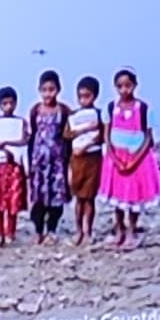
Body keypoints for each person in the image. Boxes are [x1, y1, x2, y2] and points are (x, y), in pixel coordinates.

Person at [99, 70, 160, 243]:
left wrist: (135, 160)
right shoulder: (111, 108)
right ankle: (119, 228)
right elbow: (106, 136)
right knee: (117, 197)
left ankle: (132, 230)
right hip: (116, 157)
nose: (124, 90)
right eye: (120, 86)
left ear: (134, 85)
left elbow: (148, 137)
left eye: (128, 85)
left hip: (137, 157)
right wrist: (114, 158)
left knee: (134, 196)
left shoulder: (143, 109)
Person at [23, 70, 70, 241]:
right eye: (44, 90)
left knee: (56, 198)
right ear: (39, 90)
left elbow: (67, 137)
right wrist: (29, 163)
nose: (48, 93)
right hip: (39, 161)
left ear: (58, 89)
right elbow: (32, 136)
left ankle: (52, 229)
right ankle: (38, 229)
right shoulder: (36, 110)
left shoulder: (63, 111)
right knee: (38, 197)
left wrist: (68, 161)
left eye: (51, 89)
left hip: (57, 162)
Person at [0, 85, 26, 245]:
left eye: (11, 103)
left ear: (15, 103)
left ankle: (10, 232)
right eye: (4, 103)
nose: (8, 106)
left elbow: (24, 139)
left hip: (14, 166)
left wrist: (8, 143)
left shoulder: (20, 122)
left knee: (12, 201)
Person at [67, 74, 106, 241]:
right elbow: (67, 134)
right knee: (78, 197)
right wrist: (83, 130)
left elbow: (103, 136)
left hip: (92, 158)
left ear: (95, 96)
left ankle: (88, 230)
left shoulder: (99, 114)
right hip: (77, 160)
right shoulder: (73, 115)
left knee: (89, 197)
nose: (83, 100)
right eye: (80, 96)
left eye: (87, 96)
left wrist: (87, 146)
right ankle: (78, 231)